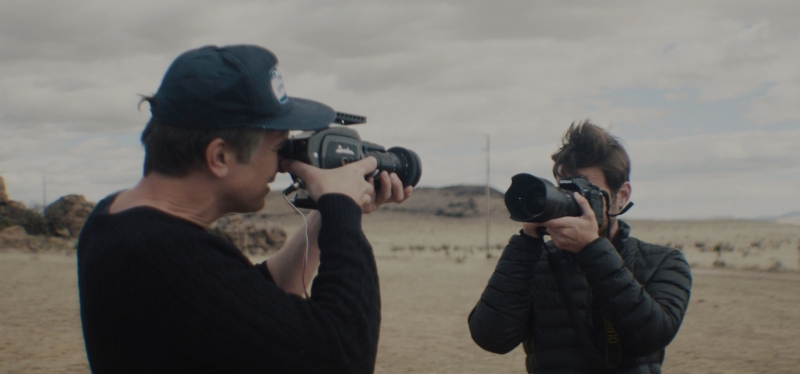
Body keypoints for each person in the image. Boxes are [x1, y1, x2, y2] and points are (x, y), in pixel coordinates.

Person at [77, 45, 412, 374]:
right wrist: (343, 213)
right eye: (279, 147)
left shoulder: (116, 220)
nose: (283, 165)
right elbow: (343, 356)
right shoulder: (164, 253)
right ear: (220, 157)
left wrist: (326, 210)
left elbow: (254, 302)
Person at [468, 121, 692, 373]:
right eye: (565, 190)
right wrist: (526, 243)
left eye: (586, 190)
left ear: (622, 195)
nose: (574, 201)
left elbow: (651, 336)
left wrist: (592, 249)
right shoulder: (536, 261)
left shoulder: (663, 262)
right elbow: (492, 338)